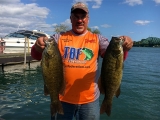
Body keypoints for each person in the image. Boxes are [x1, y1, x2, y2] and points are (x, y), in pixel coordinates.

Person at [31, 2, 133, 120]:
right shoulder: (58, 38)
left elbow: (114, 58)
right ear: (71, 19)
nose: (80, 20)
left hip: (89, 101)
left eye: (83, 17)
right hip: (62, 99)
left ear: (88, 19)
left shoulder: (98, 39)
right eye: (76, 17)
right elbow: (36, 56)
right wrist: (38, 46)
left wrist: (124, 48)